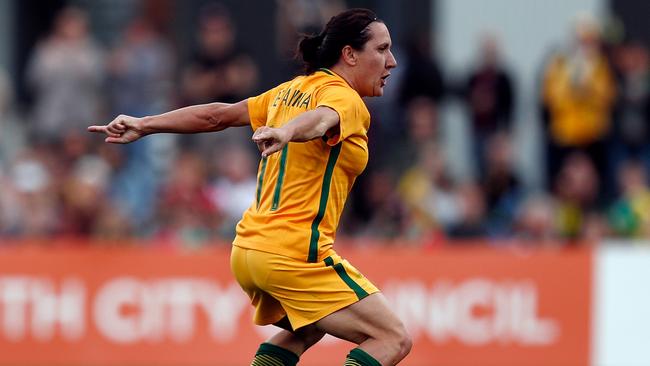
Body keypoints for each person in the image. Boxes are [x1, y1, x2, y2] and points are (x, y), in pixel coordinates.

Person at [89, 8, 411, 366]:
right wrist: (287, 132)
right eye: (382, 49)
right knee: (392, 338)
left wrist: (146, 124)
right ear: (349, 54)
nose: (392, 61)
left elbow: (217, 115)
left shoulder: (288, 91)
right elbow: (322, 119)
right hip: (293, 254)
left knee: (307, 327)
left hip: (249, 250)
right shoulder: (345, 99)